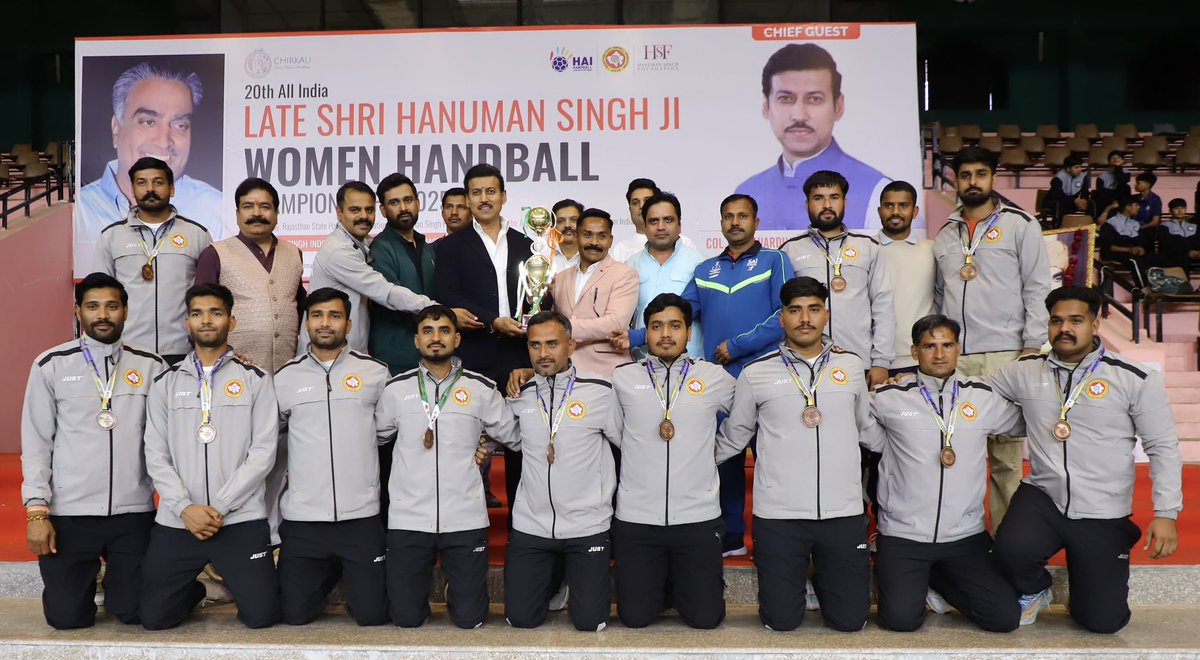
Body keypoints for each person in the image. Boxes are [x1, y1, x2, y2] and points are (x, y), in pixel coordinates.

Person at [988, 286, 1181, 632]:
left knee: (1102, 621)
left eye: (1076, 320)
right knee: (1008, 551)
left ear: (1095, 324)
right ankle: (1036, 589)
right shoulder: (1025, 370)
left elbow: (1163, 446)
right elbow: (977, 394)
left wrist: (1166, 513)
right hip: (1044, 499)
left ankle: (1093, 576)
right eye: (1056, 321)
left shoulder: (1134, 378)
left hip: (1102, 508)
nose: (1065, 328)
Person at [616, 192, 794, 557]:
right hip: (721, 378)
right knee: (724, 458)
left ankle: (775, 540)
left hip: (766, 375)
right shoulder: (705, 270)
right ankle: (730, 537)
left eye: (742, 216)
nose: (735, 223)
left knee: (774, 460)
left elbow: (785, 314)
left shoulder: (775, 260)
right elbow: (679, 312)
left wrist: (740, 345)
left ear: (756, 222)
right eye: (728, 217)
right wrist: (631, 337)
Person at [719, 276, 877, 632]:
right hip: (779, 516)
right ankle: (796, 583)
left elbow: (867, 429)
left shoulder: (851, 367)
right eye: (794, 310)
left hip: (842, 511)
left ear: (826, 314)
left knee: (851, 622)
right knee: (780, 621)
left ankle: (825, 582)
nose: (804, 318)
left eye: (813, 309)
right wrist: (685, 461)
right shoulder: (755, 373)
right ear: (782, 318)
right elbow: (734, 437)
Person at [20, 273, 165, 630]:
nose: (103, 314)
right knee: (67, 619)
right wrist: (37, 513)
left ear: (126, 312)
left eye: (112, 306)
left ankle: (177, 590)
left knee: (134, 612)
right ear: (78, 311)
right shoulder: (50, 365)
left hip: (133, 514)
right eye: (93, 306)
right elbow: (36, 442)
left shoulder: (152, 365)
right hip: (71, 514)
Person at [866, 314, 1022, 633]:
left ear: (958, 348)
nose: (939, 354)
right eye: (929, 346)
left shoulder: (981, 396)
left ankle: (936, 579)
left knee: (1004, 618)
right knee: (899, 621)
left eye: (947, 345)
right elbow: (851, 421)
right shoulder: (888, 398)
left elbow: (1028, 422)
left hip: (963, 537)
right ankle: (915, 578)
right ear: (914, 352)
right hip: (903, 535)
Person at [140, 283, 281, 630]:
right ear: (187, 322)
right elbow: (155, 453)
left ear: (231, 321)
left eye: (216, 313)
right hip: (178, 520)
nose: (206, 320)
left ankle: (233, 583)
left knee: (262, 617)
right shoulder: (164, 382)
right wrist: (184, 507)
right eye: (197, 313)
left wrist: (220, 505)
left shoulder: (256, 380)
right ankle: (199, 590)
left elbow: (263, 452)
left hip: (238, 519)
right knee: (155, 618)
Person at [374, 305, 517, 629]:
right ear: (416, 340)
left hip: (464, 517)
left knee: (470, 620)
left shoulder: (481, 388)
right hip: (409, 518)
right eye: (427, 331)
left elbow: (512, 435)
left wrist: (486, 445)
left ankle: (459, 588)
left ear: (457, 338)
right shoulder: (396, 390)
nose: (435, 338)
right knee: (406, 619)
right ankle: (417, 591)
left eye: (443, 331)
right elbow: (378, 437)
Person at [932, 146, 1051, 532]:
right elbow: (938, 296)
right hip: (956, 359)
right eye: (965, 175)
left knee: (1005, 457)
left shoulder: (1020, 224)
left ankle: (1005, 541)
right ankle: (959, 539)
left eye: (980, 174)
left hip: (1005, 356)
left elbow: (1037, 287)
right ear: (956, 181)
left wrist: (1032, 347)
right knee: (956, 452)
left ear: (993, 179)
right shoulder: (946, 235)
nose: (972, 182)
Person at [609, 293, 736, 629]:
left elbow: (746, 417)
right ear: (645, 332)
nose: (666, 334)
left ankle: (686, 586)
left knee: (706, 619)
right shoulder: (622, 378)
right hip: (638, 518)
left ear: (689, 333)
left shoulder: (713, 377)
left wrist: (715, 452)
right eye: (656, 326)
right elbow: (613, 431)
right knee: (634, 618)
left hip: (697, 517)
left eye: (675, 326)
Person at [493, 311, 619, 632]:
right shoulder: (519, 394)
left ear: (571, 345)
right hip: (532, 525)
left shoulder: (601, 393)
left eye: (552, 344)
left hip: (586, 525)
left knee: (591, 622)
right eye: (535, 345)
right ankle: (553, 580)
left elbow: (627, 445)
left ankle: (570, 572)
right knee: (520, 619)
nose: (543, 353)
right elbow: (507, 438)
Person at [272, 288, 390, 626]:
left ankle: (351, 567)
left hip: (360, 516)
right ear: (306, 323)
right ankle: (328, 570)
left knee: (373, 616)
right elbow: (271, 436)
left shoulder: (376, 373)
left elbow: (387, 431)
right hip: (304, 518)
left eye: (335, 316)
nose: (326, 323)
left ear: (349, 323)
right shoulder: (284, 378)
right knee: (294, 616)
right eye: (318, 315)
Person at [433, 163, 537, 516]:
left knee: (520, 443)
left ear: (504, 196)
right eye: (475, 193)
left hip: (518, 356)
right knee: (467, 440)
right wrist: (493, 321)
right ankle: (462, 522)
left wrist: (528, 321)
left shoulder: (529, 244)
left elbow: (539, 295)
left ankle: (521, 522)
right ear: (468, 199)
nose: (484, 198)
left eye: (490, 191)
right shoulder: (449, 247)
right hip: (474, 356)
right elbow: (446, 293)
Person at [76, 61, 224, 272]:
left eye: (180, 125)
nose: (164, 142)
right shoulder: (80, 211)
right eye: (148, 122)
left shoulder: (215, 211)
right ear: (116, 129)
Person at [306, 181, 479, 354]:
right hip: (327, 350)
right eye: (355, 210)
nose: (363, 216)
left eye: (369, 210)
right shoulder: (339, 251)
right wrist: (445, 313)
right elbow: (386, 292)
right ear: (339, 212)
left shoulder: (367, 243)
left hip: (350, 353)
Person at [736, 43, 890, 231]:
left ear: (838, 106)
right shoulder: (747, 192)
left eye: (814, 99)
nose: (799, 115)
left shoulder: (880, 193)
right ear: (766, 107)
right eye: (785, 98)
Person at [781, 170, 895, 389]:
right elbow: (783, 311)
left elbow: (883, 307)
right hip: (804, 364)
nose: (827, 204)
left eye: (834, 197)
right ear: (806, 205)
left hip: (859, 363)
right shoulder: (789, 250)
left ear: (845, 202)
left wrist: (881, 362)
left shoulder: (868, 248)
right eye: (818, 198)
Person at [92, 157, 212, 363]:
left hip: (183, 351)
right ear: (132, 189)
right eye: (142, 183)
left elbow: (209, 295)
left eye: (158, 182)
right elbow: (100, 296)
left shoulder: (197, 234)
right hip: (128, 350)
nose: (150, 189)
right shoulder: (110, 237)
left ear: (171, 188)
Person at [194, 177, 304, 373]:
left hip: (289, 370)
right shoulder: (215, 254)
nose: (256, 213)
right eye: (248, 206)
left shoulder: (294, 253)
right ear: (237, 214)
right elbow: (199, 313)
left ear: (277, 213)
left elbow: (302, 308)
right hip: (233, 371)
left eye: (264, 206)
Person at [547, 209, 638, 376]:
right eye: (587, 235)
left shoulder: (625, 273)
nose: (594, 242)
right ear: (576, 236)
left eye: (602, 236)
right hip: (563, 371)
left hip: (606, 371)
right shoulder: (560, 278)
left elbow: (615, 323)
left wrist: (563, 328)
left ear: (611, 241)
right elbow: (549, 316)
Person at [367, 173, 438, 376]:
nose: (403, 208)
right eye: (394, 202)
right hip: (395, 357)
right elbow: (396, 299)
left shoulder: (427, 248)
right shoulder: (379, 248)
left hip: (431, 353)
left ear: (418, 202)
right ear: (383, 210)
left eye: (408, 200)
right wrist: (445, 312)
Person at [624, 191, 706, 360]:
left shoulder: (699, 263)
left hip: (689, 360)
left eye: (668, 220)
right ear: (645, 227)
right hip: (643, 360)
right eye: (654, 221)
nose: (661, 227)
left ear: (679, 225)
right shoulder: (630, 265)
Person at [875, 181, 934, 376]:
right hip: (876, 361)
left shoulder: (932, 249)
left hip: (922, 357)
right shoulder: (865, 250)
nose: (896, 211)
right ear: (879, 210)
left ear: (915, 211)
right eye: (889, 205)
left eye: (904, 205)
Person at [609, 178, 697, 263]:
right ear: (630, 209)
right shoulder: (620, 249)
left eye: (647, 200)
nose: (641, 206)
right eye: (636, 202)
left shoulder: (684, 243)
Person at [1041, 155, 1092, 227]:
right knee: (1058, 204)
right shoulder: (1058, 178)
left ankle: (1090, 227)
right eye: (1077, 167)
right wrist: (1074, 201)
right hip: (1054, 202)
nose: (1080, 169)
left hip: (1071, 202)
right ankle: (1057, 227)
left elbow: (1085, 192)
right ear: (1068, 169)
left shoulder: (1083, 177)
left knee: (1091, 204)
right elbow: (1057, 195)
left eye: (1081, 167)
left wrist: (1083, 200)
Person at [1155, 198, 1199, 273]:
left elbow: (1197, 241)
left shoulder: (1193, 226)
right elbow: (1167, 244)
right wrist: (1187, 250)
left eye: (1182, 208)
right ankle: (1185, 283)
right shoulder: (1165, 226)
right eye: (1176, 208)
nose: (1180, 211)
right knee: (1183, 257)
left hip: (1193, 254)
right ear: (1170, 211)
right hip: (1174, 255)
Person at [1093, 150, 1130, 216]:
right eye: (1113, 158)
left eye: (1118, 158)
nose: (1115, 160)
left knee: (1126, 187)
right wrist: (1113, 201)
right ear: (1109, 161)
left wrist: (1118, 167)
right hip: (1107, 200)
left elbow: (1122, 181)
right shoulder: (1102, 176)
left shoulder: (1126, 172)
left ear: (1122, 160)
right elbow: (1101, 193)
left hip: (1120, 198)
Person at [551, 198, 583, 273]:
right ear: (552, 227)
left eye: (574, 220)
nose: (567, 225)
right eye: (561, 221)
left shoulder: (594, 256)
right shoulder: (543, 258)